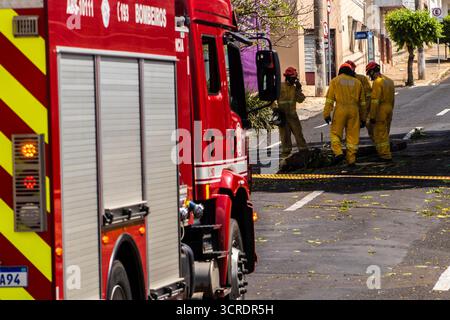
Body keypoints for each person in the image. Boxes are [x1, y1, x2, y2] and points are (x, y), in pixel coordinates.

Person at [323, 63, 366, 167]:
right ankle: (351, 160)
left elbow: (329, 99)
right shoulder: (357, 82)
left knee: (335, 133)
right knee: (352, 136)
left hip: (340, 110)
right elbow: (362, 103)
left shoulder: (335, 81)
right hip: (354, 111)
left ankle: (338, 153)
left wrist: (326, 113)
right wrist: (363, 118)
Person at [275, 67, 308, 159]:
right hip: (282, 117)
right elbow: (271, 99)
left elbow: (300, 100)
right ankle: (285, 158)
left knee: (299, 136)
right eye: (293, 78)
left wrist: (298, 89)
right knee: (285, 138)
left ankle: (304, 154)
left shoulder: (294, 88)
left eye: (295, 78)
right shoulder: (280, 87)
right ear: (287, 77)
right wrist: (275, 109)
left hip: (293, 117)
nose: (294, 80)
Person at [365, 61, 395, 162]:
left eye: (369, 73)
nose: (370, 76)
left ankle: (385, 156)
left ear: (373, 71)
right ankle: (385, 153)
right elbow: (393, 99)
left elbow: (374, 101)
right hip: (389, 109)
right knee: (385, 133)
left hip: (380, 111)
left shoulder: (377, 82)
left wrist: (372, 116)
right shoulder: (389, 81)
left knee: (380, 135)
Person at [346, 60, 373, 138]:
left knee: (369, 125)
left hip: (361, 108)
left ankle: (376, 142)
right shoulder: (346, 80)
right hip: (354, 109)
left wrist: (366, 109)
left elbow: (368, 95)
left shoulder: (361, 79)